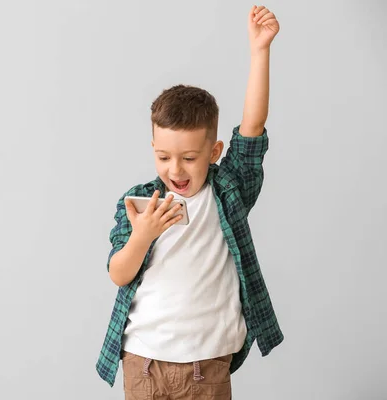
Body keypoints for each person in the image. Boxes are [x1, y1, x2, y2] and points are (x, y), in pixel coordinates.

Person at [96, 5, 284, 399]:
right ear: (152, 148)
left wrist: (260, 53)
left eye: (189, 157)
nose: (176, 169)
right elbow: (118, 273)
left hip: (206, 367)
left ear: (214, 151)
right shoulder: (138, 204)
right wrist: (142, 235)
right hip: (142, 363)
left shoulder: (228, 190)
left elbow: (251, 131)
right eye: (163, 157)